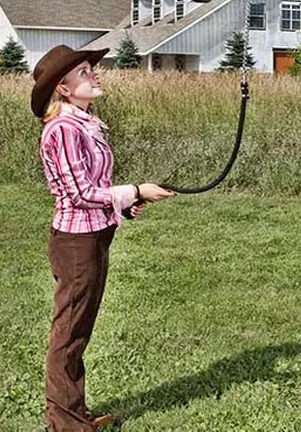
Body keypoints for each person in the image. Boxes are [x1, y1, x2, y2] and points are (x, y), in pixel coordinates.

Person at [31, 44, 175, 430]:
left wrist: (123, 204)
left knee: (77, 330)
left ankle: (73, 415)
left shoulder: (84, 124)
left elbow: (94, 187)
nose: (94, 74)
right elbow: (79, 194)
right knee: (69, 333)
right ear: (63, 88)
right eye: (82, 72)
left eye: (90, 69)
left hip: (93, 237)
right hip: (76, 244)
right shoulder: (62, 130)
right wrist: (136, 191)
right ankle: (65, 424)